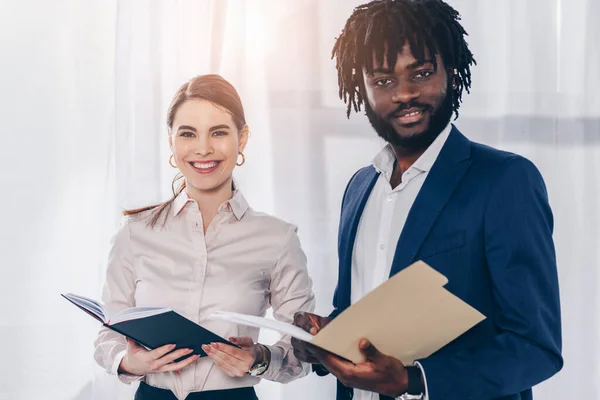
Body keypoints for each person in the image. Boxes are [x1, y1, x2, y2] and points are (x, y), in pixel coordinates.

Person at [291, 1, 563, 399]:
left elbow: (535, 347)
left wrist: (414, 380)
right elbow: (364, 320)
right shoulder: (360, 188)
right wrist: (324, 337)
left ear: (451, 71)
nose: (404, 94)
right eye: (383, 80)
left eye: (421, 73)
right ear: (361, 88)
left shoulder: (504, 181)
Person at [94, 74, 315, 400]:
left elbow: (304, 347)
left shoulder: (278, 239)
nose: (203, 148)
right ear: (171, 141)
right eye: (188, 134)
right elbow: (107, 335)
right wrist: (128, 362)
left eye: (219, 133)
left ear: (242, 139)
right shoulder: (135, 233)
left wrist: (259, 359)